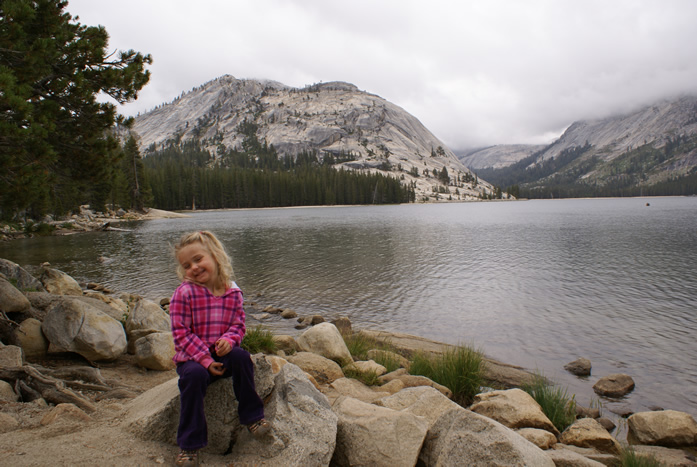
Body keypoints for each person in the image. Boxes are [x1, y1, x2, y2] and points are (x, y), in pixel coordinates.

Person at [170, 231, 270, 466]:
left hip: (221, 355)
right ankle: (189, 445)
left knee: (243, 358)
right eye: (187, 265)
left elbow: (238, 325)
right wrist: (204, 360)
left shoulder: (232, 292)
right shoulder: (184, 294)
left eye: (198, 259)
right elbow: (180, 334)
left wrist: (229, 339)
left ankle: (252, 417)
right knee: (193, 378)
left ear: (215, 256)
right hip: (193, 359)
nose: (193, 267)